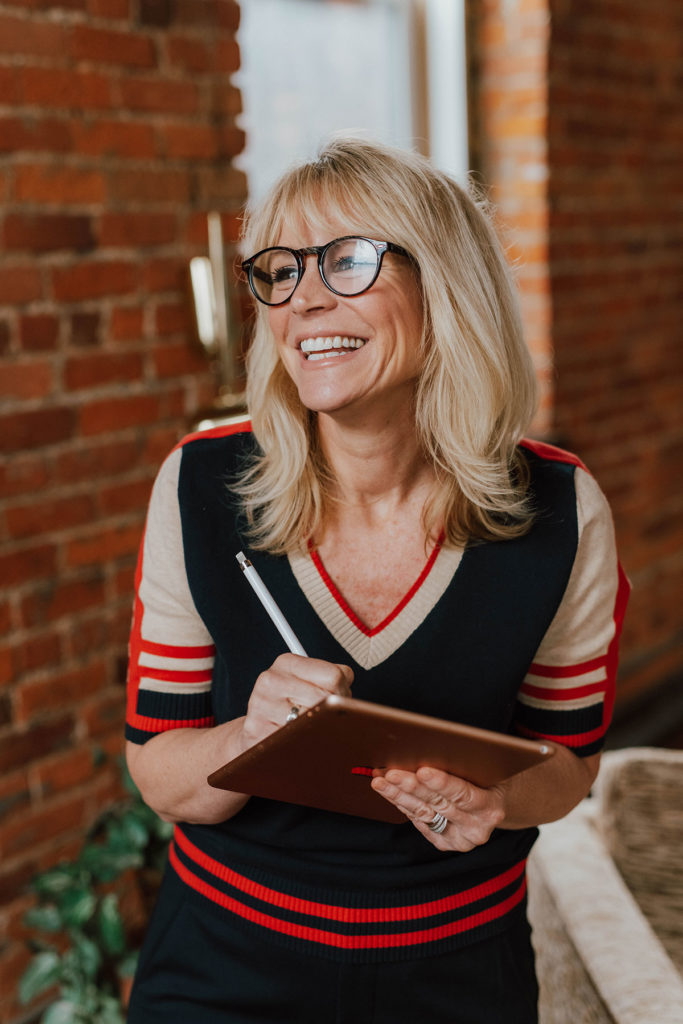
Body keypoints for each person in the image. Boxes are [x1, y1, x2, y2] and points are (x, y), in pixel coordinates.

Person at [125, 138, 629, 1023]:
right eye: (278, 270)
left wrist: (496, 798)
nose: (304, 297)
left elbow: (568, 767)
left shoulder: (561, 509)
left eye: (348, 261)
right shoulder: (200, 483)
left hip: (458, 978)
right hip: (223, 972)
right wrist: (252, 733)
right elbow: (162, 775)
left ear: (447, 287)